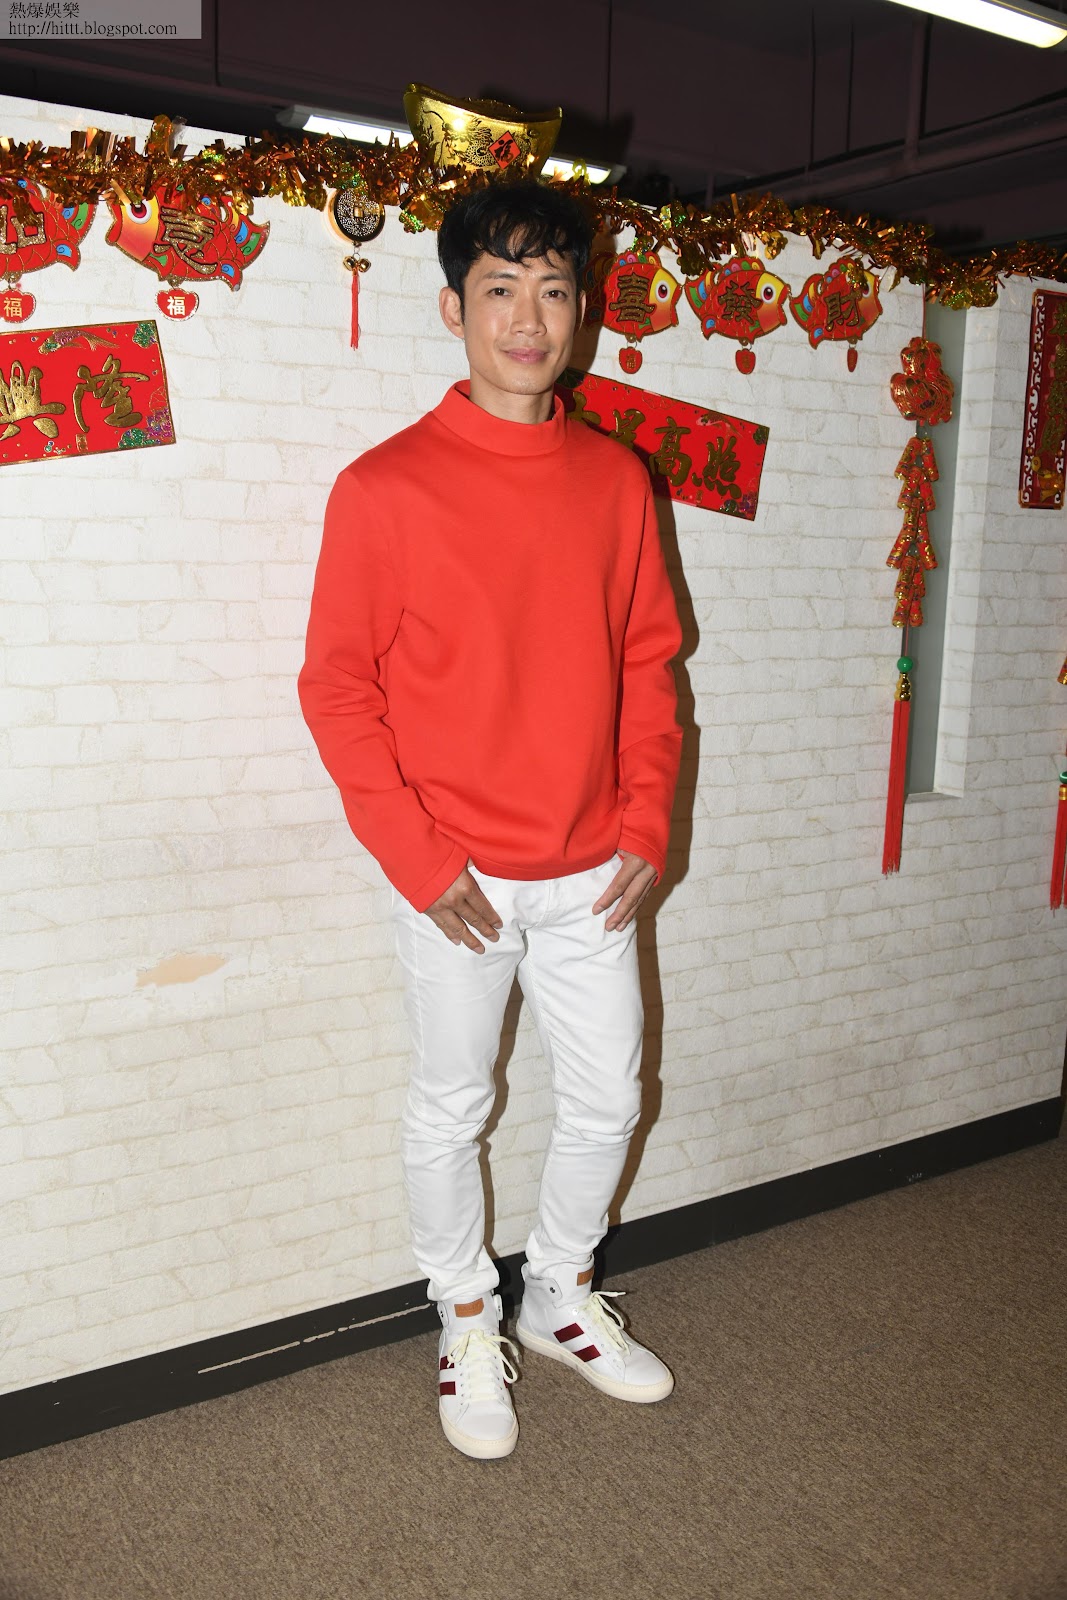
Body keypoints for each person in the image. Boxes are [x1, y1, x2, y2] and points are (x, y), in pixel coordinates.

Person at [298, 180, 683, 1461]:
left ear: (581, 312)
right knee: (451, 1106)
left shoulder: (616, 480)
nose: (528, 318)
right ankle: (465, 1312)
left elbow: (647, 663)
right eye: (501, 289)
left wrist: (646, 821)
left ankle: (557, 1292)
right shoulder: (385, 487)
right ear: (453, 307)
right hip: (454, 878)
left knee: (608, 1100)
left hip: (591, 871)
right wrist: (417, 858)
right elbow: (336, 688)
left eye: (553, 290)